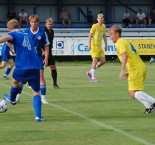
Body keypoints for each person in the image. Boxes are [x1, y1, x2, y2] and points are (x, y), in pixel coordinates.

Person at [0, 19, 45, 122]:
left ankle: (12, 99)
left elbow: (8, 37)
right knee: (36, 92)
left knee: (15, 81)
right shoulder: (26, 34)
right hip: (35, 65)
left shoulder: (13, 34)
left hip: (22, 65)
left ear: (9, 29)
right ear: (18, 26)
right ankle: (38, 117)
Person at [108, 25, 155, 114]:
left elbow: (125, 55)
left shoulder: (119, 42)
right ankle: (149, 107)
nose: (110, 37)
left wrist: (122, 69)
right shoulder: (124, 41)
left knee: (132, 93)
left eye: (111, 34)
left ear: (117, 34)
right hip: (138, 67)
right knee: (134, 93)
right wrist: (128, 71)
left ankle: (153, 102)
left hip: (136, 69)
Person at [24, 15, 49, 104]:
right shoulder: (26, 32)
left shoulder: (42, 32)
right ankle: (17, 96)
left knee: (41, 76)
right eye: (32, 22)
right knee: (22, 77)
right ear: (30, 22)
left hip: (38, 57)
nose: (33, 24)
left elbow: (46, 46)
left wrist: (46, 58)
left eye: (35, 22)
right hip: (27, 58)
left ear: (38, 22)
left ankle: (43, 97)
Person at [87, 13, 107, 82]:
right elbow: (90, 35)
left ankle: (90, 72)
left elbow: (104, 35)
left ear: (103, 19)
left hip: (99, 46)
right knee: (95, 61)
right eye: (99, 18)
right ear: (97, 19)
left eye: (101, 18)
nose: (100, 19)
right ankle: (92, 78)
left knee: (103, 61)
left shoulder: (103, 26)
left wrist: (106, 44)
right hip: (94, 46)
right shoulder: (94, 26)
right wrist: (89, 44)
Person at [44, 18, 59, 89]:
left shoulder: (52, 31)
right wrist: (42, 51)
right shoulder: (43, 31)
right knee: (37, 69)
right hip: (42, 52)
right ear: (45, 24)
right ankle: (30, 83)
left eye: (50, 24)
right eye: (48, 24)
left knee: (53, 67)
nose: (49, 25)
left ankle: (55, 84)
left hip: (49, 52)